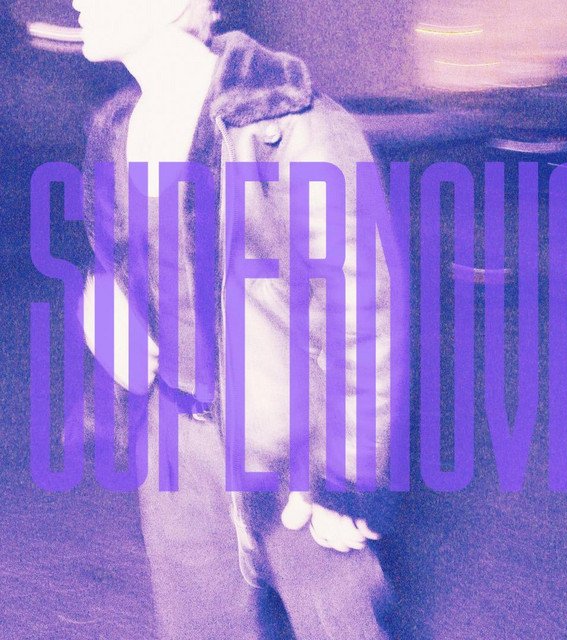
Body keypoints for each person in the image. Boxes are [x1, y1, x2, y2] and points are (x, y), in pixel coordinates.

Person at [74, 0, 400, 638]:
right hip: (173, 443)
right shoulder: (116, 126)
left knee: (340, 624)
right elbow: (124, 262)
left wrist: (347, 477)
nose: (79, 2)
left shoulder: (286, 124)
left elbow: (361, 313)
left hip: (291, 450)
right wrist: (101, 299)